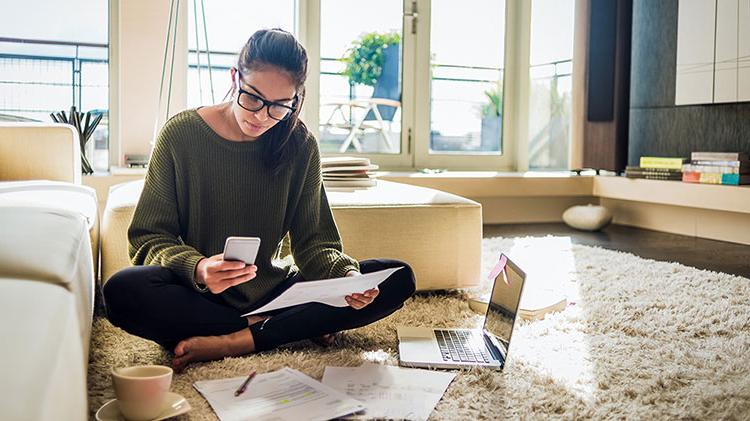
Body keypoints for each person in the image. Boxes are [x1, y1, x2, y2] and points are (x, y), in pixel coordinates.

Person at [103, 28, 416, 372]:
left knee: (397, 276)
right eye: (252, 98)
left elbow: (315, 244)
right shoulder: (180, 135)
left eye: (280, 106)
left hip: (277, 291)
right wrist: (199, 268)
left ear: (295, 99)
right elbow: (148, 238)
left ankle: (239, 339)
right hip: (202, 298)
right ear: (235, 77)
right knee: (122, 291)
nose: (261, 116)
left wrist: (346, 276)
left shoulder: (300, 145)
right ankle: (284, 327)